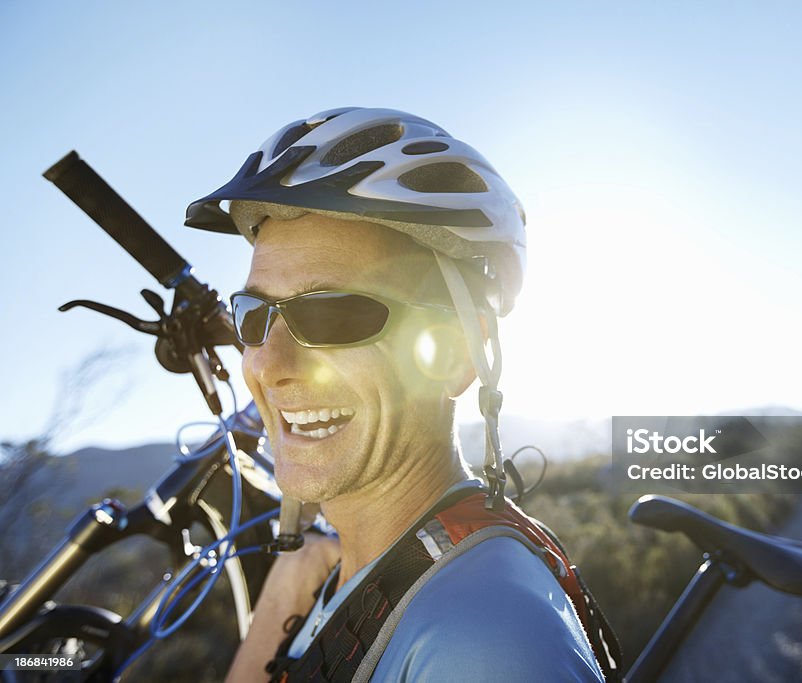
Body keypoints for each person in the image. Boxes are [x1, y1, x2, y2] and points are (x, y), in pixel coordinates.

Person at [183, 108, 616, 682]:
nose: (269, 363)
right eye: (254, 313)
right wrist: (286, 592)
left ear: (458, 351)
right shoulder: (360, 569)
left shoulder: (482, 642)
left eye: (331, 314)